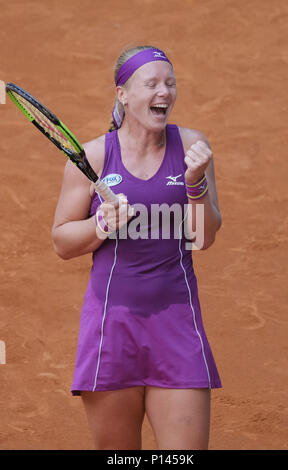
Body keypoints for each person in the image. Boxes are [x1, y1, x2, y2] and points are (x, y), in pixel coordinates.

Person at [51, 45, 222, 450]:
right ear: (123, 94)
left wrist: (195, 182)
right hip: (112, 328)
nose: (164, 92)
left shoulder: (193, 147)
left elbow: (204, 237)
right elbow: (61, 241)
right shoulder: (93, 158)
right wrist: (102, 223)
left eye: (170, 83)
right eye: (152, 84)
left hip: (178, 327)